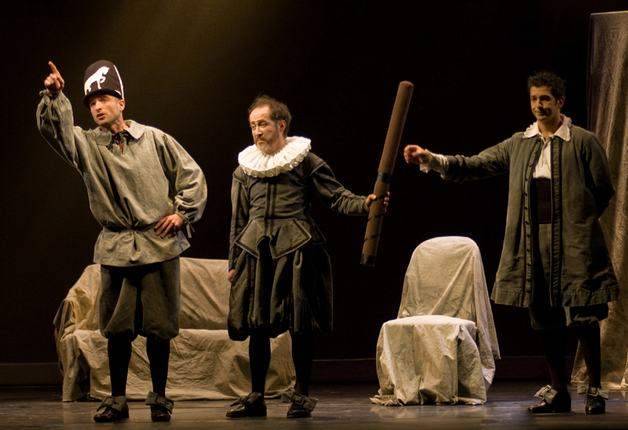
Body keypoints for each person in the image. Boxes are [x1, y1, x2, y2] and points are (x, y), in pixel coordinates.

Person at [404, 71, 617, 415]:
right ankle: (559, 391)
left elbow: (603, 189)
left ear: (560, 101)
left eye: (545, 98)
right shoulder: (520, 143)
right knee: (544, 318)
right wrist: (431, 158)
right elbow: (476, 164)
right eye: (534, 99)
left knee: (584, 315)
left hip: (574, 241)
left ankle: (594, 390)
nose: (539, 105)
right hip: (533, 242)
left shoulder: (582, 141)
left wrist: (578, 220)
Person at [37, 60, 207, 422]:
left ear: (121, 102)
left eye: (104, 99)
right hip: (116, 247)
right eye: (91, 102)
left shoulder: (154, 139)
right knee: (117, 329)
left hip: (158, 243)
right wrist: (54, 98)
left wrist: (182, 213)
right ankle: (117, 399)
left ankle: (159, 398)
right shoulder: (88, 145)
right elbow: (56, 133)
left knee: (160, 329)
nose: (97, 107)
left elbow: (191, 175)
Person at [226, 95, 387, 418]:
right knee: (257, 325)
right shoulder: (244, 170)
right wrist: (234, 262)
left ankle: (301, 394)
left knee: (300, 324)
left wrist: (366, 204)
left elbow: (337, 197)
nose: (257, 131)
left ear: (281, 125)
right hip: (256, 253)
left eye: (262, 124)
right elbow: (238, 219)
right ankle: (256, 396)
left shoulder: (305, 161)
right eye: (253, 126)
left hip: (296, 250)